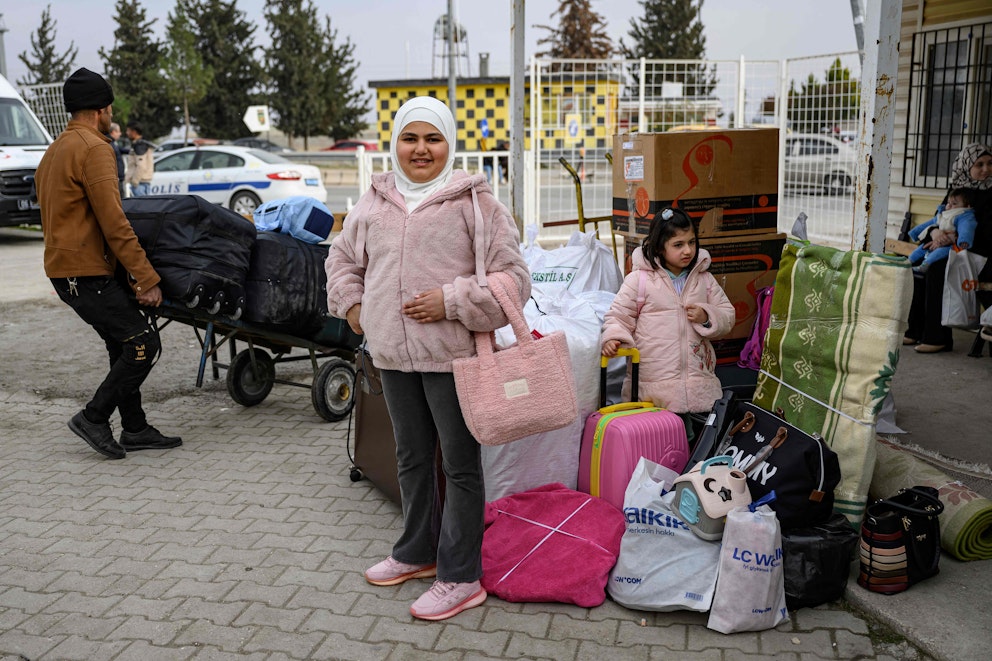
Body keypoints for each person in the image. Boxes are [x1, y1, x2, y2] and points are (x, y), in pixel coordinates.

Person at [324, 96, 530, 621]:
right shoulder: (375, 201)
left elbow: (514, 279)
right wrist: (352, 306)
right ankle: (417, 551)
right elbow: (341, 257)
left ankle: (460, 576)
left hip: (452, 359)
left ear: (449, 143)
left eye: (432, 138)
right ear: (394, 143)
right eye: (410, 138)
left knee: (459, 465)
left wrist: (454, 300)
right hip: (391, 356)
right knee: (411, 459)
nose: (421, 149)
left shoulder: (475, 203)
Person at [34, 67, 182, 460]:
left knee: (121, 342)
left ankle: (134, 427)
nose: (112, 111)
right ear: (101, 109)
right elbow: (114, 221)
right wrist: (146, 277)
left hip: (65, 270)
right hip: (87, 272)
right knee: (143, 344)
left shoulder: (55, 150)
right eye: (110, 105)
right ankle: (94, 417)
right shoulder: (94, 148)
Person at [601, 207, 735, 441]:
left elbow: (727, 315)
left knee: (697, 442)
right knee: (661, 442)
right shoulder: (639, 281)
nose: (688, 250)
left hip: (698, 385)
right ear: (659, 247)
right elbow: (618, 316)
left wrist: (707, 315)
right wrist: (613, 338)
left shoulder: (704, 279)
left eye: (692, 242)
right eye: (678, 244)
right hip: (654, 386)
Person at [905, 143, 992, 353]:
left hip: (978, 252)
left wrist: (952, 239)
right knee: (916, 263)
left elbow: (987, 233)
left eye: (990, 163)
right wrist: (935, 233)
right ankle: (915, 330)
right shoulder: (958, 188)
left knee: (937, 268)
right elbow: (940, 216)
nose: (986, 169)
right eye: (979, 164)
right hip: (953, 247)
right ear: (965, 166)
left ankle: (937, 337)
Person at [907, 187, 976, 272]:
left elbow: (966, 227)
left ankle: (925, 265)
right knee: (922, 248)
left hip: (950, 245)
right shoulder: (942, 214)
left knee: (939, 252)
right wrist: (915, 232)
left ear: (967, 206)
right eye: (948, 203)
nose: (949, 205)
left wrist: (964, 240)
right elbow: (929, 223)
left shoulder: (963, 215)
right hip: (934, 241)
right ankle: (908, 261)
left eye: (954, 203)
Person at [125, 121, 155, 197]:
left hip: (139, 184)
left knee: (142, 207)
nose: (126, 133)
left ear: (134, 132)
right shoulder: (142, 143)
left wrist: (134, 182)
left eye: (128, 130)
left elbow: (141, 166)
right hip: (143, 182)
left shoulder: (139, 146)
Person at [107, 121, 126, 199]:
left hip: (118, 178)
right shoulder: (110, 143)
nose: (120, 134)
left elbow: (120, 150)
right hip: (116, 179)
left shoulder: (113, 143)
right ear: (113, 132)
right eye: (118, 131)